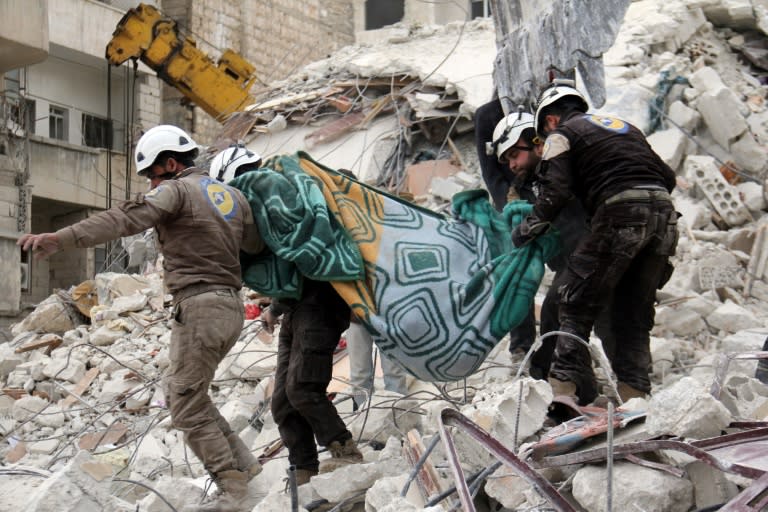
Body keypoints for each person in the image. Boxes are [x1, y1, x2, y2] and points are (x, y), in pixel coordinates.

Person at [19, 125, 264, 512]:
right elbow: (252, 245)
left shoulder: (176, 190)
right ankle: (245, 467)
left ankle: (232, 490)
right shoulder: (233, 196)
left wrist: (61, 237)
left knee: (183, 405)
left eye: (151, 174)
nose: (150, 183)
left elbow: (124, 220)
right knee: (192, 395)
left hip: (199, 305)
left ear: (170, 163)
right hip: (232, 306)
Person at [512, 81, 679, 405]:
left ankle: (564, 390)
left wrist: (529, 227)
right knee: (634, 312)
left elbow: (556, 191)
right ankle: (635, 395)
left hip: (619, 214)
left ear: (549, 121)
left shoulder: (562, 134)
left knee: (574, 299)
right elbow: (668, 177)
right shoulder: (626, 129)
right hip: (665, 219)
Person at [486, 109, 613, 380]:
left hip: (594, 254)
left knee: (572, 317)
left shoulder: (562, 164)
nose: (512, 165)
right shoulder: (519, 191)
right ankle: (576, 387)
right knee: (557, 317)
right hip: (570, 266)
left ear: (532, 140)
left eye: (513, 155)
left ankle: (618, 387)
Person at [346, 313, 409, 409]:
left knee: (394, 373)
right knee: (359, 375)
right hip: (354, 311)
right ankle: (363, 414)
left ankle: (399, 412)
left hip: (386, 312)